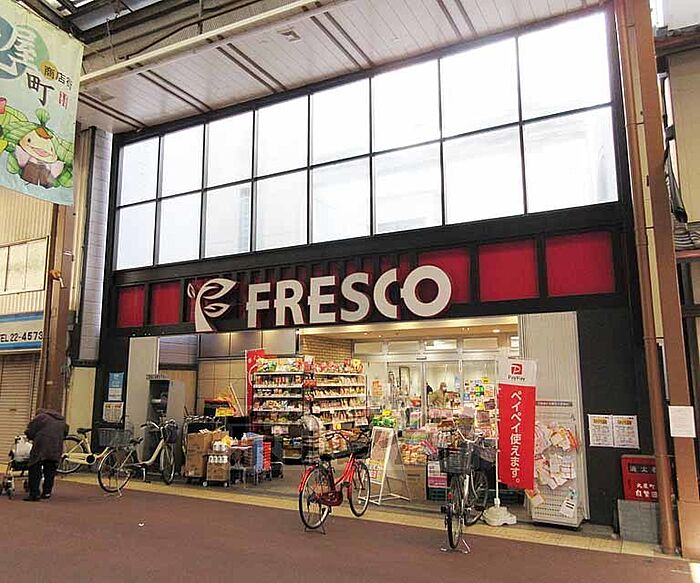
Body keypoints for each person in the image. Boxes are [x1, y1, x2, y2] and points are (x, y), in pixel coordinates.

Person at [24, 408, 67, 502]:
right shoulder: (62, 420)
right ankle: (47, 492)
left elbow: (30, 431)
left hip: (41, 446)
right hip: (56, 447)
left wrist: (30, 436)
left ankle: (34, 494)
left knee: (34, 467)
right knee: (50, 470)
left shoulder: (40, 417)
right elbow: (65, 433)